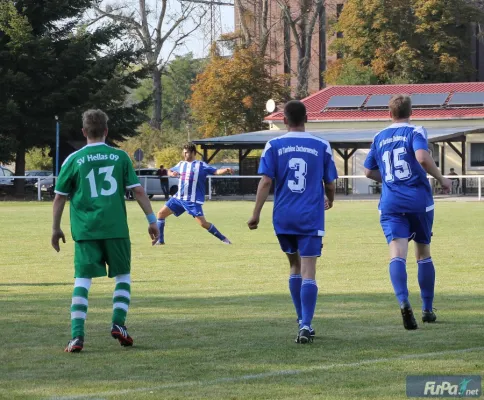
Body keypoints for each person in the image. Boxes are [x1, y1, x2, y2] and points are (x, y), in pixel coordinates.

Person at [52, 109, 159, 353]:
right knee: (123, 276)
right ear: (106, 131)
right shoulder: (120, 157)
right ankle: (118, 323)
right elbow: (138, 191)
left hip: (86, 230)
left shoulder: (74, 160)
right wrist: (152, 220)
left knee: (82, 280)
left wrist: (56, 228)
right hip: (116, 228)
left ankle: (77, 337)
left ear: (84, 132)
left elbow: (59, 198)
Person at [247, 100, 337, 344]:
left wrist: (255, 213)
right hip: (310, 215)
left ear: (284, 120)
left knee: (294, 266)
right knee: (309, 271)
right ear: (306, 118)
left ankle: (301, 320)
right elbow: (330, 183)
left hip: (284, 216)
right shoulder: (321, 145)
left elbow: (266, 182)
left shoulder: (273, 145)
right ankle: (306, 324)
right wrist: (330, 199)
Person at [364, 94, 452, 330]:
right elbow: (422, 158)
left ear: (389, 113)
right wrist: (442, 179)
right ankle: (427, 309)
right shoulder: (416, 131)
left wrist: (390, 180)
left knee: (397, 254)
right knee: (423, 252)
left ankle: (403, 302)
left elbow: (368, 171)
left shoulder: (379, 136)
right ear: (410, 112)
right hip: (418, 202)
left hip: (391, 203)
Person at [155, 143, 233, 245]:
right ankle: (160, 241)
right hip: (178, 198)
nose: (184, 154)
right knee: (160, 214)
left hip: (192, 201)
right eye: (184, 152)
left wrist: (226, 170)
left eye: (186, 152)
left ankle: (224, 239)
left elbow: (216, 171)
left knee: (203, 224)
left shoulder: (201, 165)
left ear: (193, 153)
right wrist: (171, 173)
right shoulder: (181, 164)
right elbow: (169, 170)